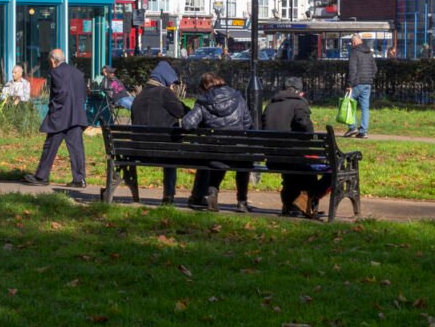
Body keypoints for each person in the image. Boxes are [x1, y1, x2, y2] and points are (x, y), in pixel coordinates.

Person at [181, 72, 253, 212]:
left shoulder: (203, 102)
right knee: (243, 162)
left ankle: (212, 193)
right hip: (239, 152)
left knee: (216, 157)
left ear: (204, 87)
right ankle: (242, 202)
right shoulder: (238, 97)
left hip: (214, 153)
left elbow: (187, 124)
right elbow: (248, 123)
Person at [263, 77, 329, 219]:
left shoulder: (270, 105)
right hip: (294, 159)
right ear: (300, 92)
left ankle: (293, 205)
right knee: (332, 171)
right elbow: (305, 127)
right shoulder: (299, 104)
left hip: (273, 159)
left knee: (296, 172)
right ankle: (305, 200)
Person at [23, 49, 88, 188]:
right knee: (77, 149)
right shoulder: (77, 73)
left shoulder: (56, 72)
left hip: (60, 116)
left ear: (53, 60)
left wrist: (53, 108)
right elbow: (83, 94)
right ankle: (79, 179)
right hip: (76, 115)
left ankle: (42, 176)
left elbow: (60, 94)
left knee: (50, 146)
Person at [130, 61, 188, 205]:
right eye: (171, 83)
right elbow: (183, 112)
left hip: (138, 150)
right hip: (163, 150)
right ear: (164, 80)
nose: (172, 86)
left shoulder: (139, 97)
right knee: (171, 154)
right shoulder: (165, 93)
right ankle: (168, 195)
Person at [344, 33, 376, 139]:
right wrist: (370, 78)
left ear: (354, 42)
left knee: (348, 103)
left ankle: (352, 127)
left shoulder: (354, 52)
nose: (351, 44)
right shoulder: (369, 52)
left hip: (356, 83)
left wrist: (349, 85)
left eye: (351, 42)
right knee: (365, 108)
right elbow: (375, 68)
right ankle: (363, 131)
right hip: (368, 83)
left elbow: (352, 70)